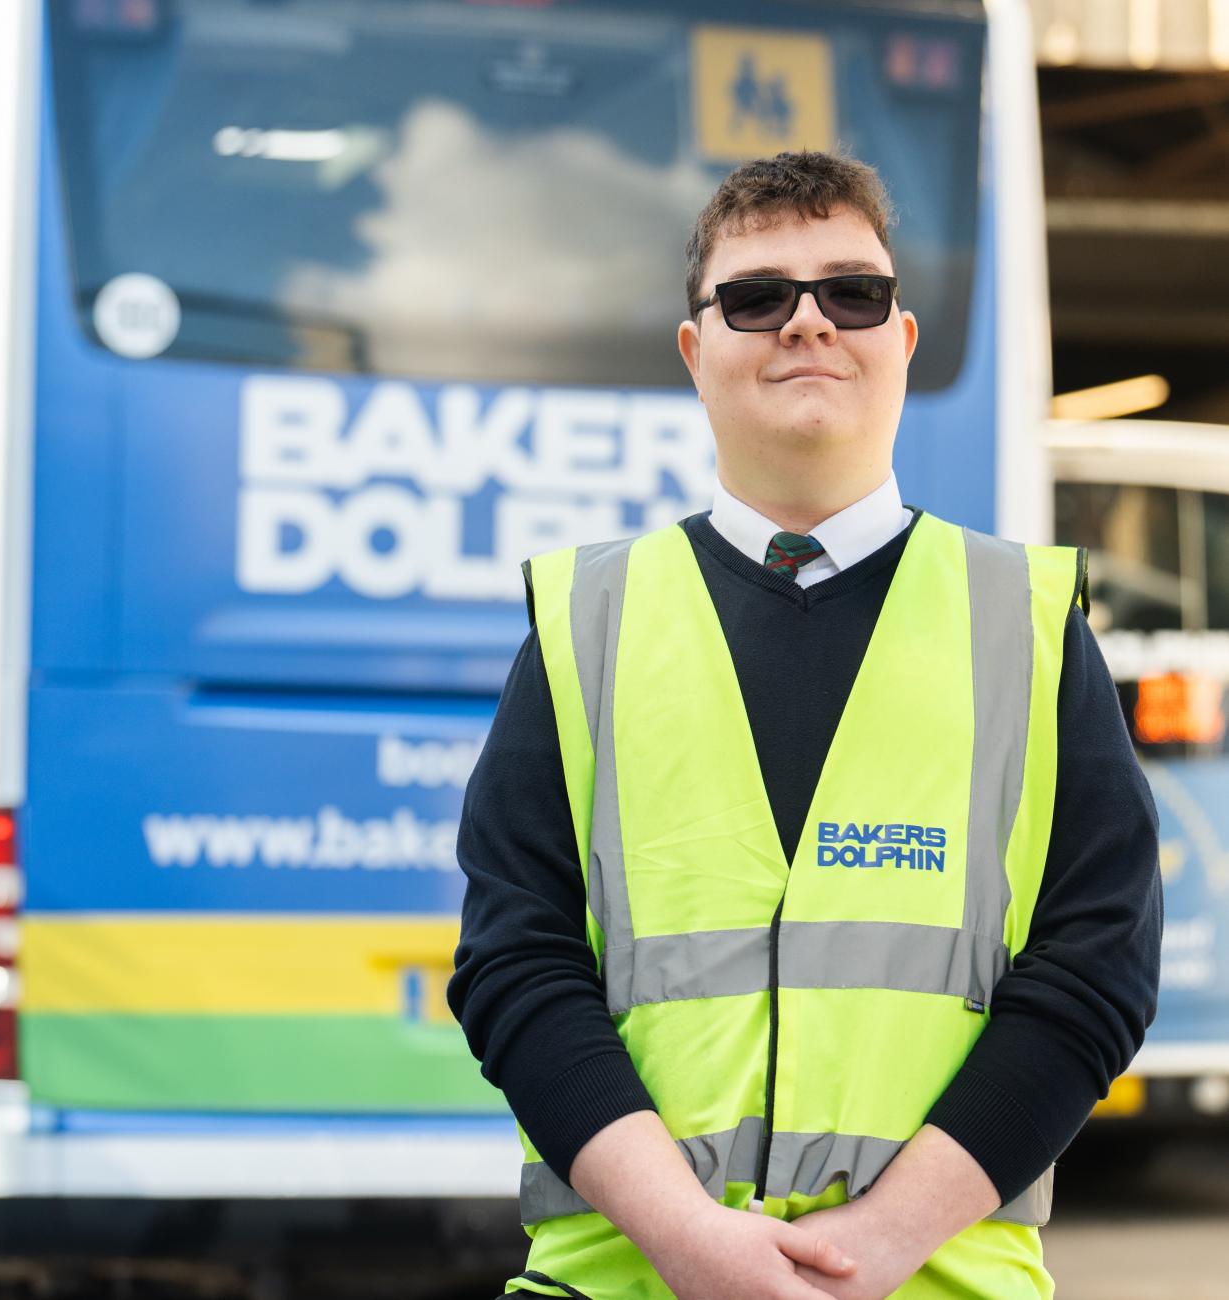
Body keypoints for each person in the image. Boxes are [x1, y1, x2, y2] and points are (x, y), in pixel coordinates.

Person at [450, 151, 1161, 1300]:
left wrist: (868, 1250)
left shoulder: (1028, 627)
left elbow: (1095, 973)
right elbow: (517, 965)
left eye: (852, 293)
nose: (807, 323)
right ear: (696, 349)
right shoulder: (586, 623)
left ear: (902, 339)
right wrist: (686, 1238)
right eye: (756, 296)